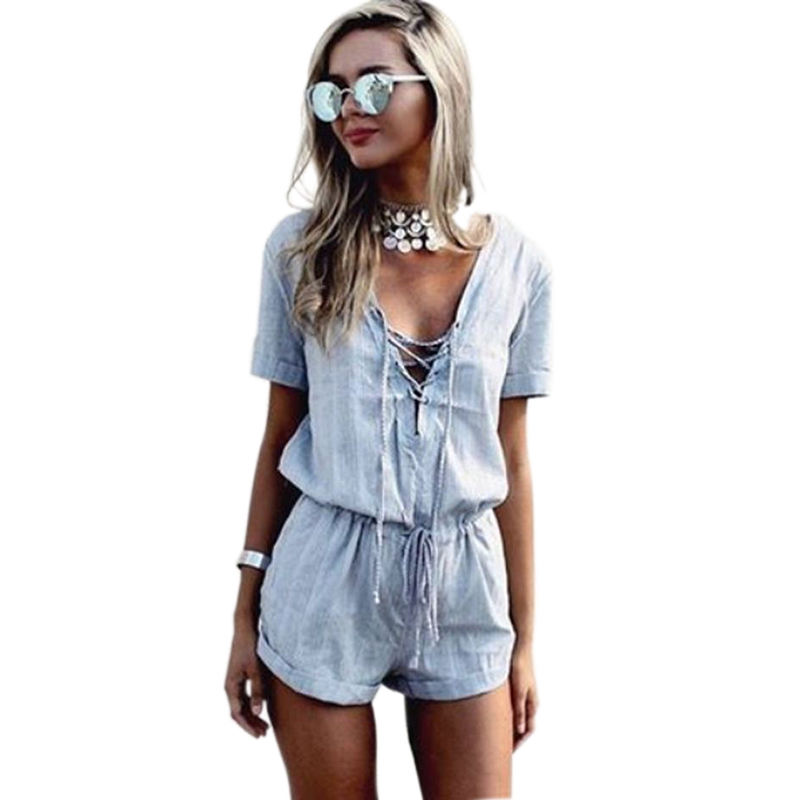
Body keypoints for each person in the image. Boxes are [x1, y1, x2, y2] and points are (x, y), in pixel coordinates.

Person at [224, 1, 552, 797]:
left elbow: (511, 459)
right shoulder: (301, 253)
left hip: (465, 589)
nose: (348, 109)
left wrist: (524, 639)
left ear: (440, 89)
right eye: (330, 92)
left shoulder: (519, 267)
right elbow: (279, 437)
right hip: (323, 582)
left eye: (373, 85)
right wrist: (243, 613)